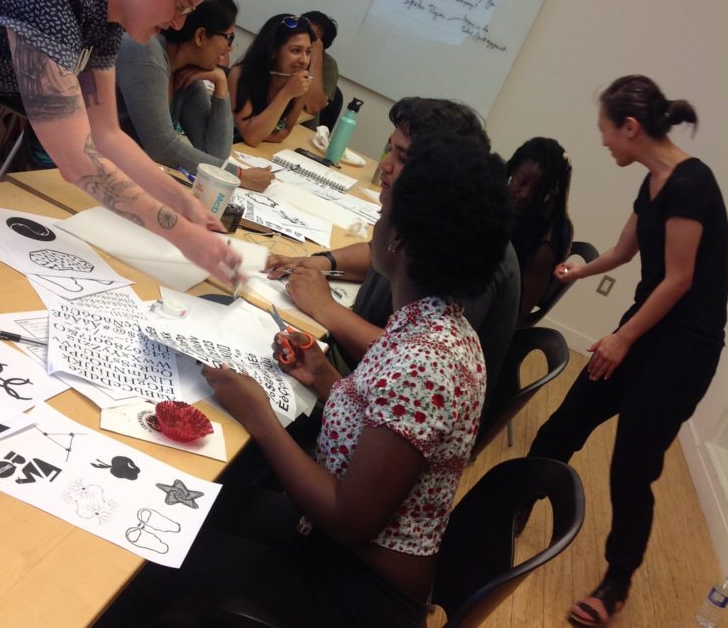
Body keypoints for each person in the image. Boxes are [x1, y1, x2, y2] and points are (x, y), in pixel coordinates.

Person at [97, 129, 512, 627]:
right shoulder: (438, 324)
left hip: (356, 588)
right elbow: (381, 422)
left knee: (156, 562)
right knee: (199, 506)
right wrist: (321, 375)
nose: (377, 226)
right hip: (338, 546)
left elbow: (348, 518)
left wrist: (259, 416)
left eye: (382, 217)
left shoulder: (426, 363)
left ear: (398, 240)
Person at [527, 75, 728, 627]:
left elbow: (679, 280)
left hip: (683, 351)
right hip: (642, 330)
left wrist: (621, 337)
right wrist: (578, 268)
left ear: (631, 127)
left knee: (632, 467)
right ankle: (504, 516)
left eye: (606, 132)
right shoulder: (653, 181)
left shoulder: (691, 185)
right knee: (563, 426)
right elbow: (623, 249)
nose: (604, 143)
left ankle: (616, 586)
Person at [0, 0, 242, 285]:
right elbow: (77, 161)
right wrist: (183, 237)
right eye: (181, 5)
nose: (179, 23)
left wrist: (185, 205)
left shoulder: (104, 17)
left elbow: (107, 134)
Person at [265, 97, 520, 410]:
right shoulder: (423, 221)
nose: (383, 164)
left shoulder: (470, 250)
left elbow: (412, 360)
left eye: (401, 157)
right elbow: (379, 249)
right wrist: (319, 262)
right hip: (353, 379)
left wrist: (324, 306)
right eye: (390, 148)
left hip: (382, 398)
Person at [115, 0, 273, 191]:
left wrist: (221, 84)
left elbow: (215, 152)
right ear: (200, 36)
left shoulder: (188, 72)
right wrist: (238, 175)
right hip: (90, 171)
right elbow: (163, 147)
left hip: (129, 177)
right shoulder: (145, 51)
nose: (230, 49)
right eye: (228, 38)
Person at [506, 137, 573, 325]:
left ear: (551, 194)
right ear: (511, 173)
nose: (525, 194)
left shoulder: (546, 245)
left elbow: (516, 316)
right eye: (521, 182)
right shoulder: (500, 200)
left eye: (538, 190)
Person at [229, 13, 316, 146]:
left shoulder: (302, 84)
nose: (304, 60)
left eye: (308, 52)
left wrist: (259, 133)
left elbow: (285, 131)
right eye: (295, 50)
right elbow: (251, 137)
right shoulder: (240, 74)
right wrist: (287, 93)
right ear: (273, 51)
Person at [301, 9, 340, 129]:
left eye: (309, 35)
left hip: (300, 127)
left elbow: (313, 106)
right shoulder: (280, 47)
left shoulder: (328, 64)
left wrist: (316, 55)